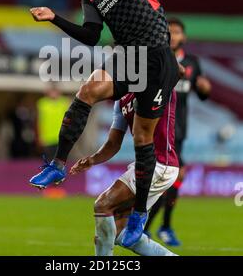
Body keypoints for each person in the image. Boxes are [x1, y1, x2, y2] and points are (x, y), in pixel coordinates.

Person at [29, 0, 226, 246]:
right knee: (89, 88)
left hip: (159, 58)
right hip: (129, 57)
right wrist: (54, 17)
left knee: (144, 139)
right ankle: (56, 165)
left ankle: (138, 216)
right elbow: (92, 37)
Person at [70, 90, 178, 256]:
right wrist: (92, 159)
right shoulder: (121, 101)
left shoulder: (159, 84)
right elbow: (113, 142)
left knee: (103, 204)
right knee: (120, 232)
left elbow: (175, 70)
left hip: (160, 164)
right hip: (147, 165)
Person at [144, 17, 211, 246]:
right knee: (167, 179)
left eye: (177, 32)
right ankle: (153, 226)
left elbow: (202, 92)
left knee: (173, 179)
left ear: (184, 37)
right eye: (169, 32)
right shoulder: (156, 57)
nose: (173, 36)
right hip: (155, 128)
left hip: (178, 131)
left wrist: (205, 88)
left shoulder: (192, 62)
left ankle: (155, 227)